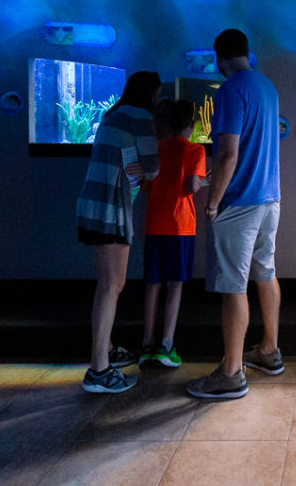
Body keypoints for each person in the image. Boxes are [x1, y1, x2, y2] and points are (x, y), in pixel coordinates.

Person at [186, 29, 282, 400]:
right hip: (269, 198)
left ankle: (230, 373)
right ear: (247, 53)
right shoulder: (267, 86)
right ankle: (270, 352)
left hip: (239, 203)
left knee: (233, 286)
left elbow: (227, 154)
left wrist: (212, 201)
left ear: (219, 59)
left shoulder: (229, 91)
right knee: (265, 273)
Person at [76, 70, 162, 394]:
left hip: (93, 202)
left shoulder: (114, 114)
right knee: (113, 285)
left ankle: (107, 350)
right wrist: (145, 168)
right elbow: (152, 166)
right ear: (150, 94)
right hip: (111, 206)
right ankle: (99, 370)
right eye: (157, 94)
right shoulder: (140, 117)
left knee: (108, 284)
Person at [138, 99, 207, 368]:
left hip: (154, 224)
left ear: (167, 123)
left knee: (152, 285)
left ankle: (146, 344)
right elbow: (191, 186)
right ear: (192, 125)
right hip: (180, 226)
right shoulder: (196, 150)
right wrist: (203, 182)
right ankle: (166, 344)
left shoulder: (156, 148)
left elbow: (145, 186)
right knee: (175, 284)